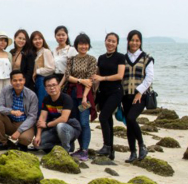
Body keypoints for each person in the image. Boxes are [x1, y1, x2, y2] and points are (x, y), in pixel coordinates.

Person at [121, 30, 155, 163]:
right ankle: (133, 153)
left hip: (141, 96)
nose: (134, 43)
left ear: (140, 42)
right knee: (129, 124)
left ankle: (142, 146)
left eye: (137, 40)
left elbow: (150, 77)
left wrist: (139, 91)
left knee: (130, 118)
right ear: (128, 41)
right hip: (126, 96)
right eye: (132, 40)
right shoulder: (123, 58)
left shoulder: (147, 58)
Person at [65, 32, 98, 162]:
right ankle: (78, 148)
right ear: (76, 45)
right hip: (72, 93)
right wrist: (79, 81)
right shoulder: (71, 59)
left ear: (89, 45)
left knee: (84, 122)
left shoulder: (91, 60)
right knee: (75, 121)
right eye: (80, 44)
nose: (83, 46)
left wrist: (84, 97)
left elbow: (90, 80)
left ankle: (84, 150)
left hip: (85, 95)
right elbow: (67, 76)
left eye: (85, 44)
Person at [94, 32, 126, 161]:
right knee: (108, 120)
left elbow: (120, 75)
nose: (110, 43)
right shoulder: (101, 58)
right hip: (103, 93)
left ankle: (106, 146)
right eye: (109, 40)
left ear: (117, 43)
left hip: (115, 92)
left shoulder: (120, 57)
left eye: (113, 41)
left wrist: (103, 78)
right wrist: (94, 91)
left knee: (103, 117)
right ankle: (111, 151)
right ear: (105, 41)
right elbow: (97, 76)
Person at [0, 70, 39, 151]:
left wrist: (19, 131)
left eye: (20, 80)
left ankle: (20, 144)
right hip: (10, 122)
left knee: (25, 139)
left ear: (24, 80)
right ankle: (4, 142)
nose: (18, 83)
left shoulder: (32, 95)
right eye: (15, 80)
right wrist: (11, 111)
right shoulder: (5, 90)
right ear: (10, 81)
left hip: (25, 124)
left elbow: (32, 117)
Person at [32, 75, 81, 153]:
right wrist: (38, 136)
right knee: (38, 145)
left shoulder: (66, 98)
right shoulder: (46, 99)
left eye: (54, 85)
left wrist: (47, 124)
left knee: (60, 125)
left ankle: (66, 149)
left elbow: (64, 119)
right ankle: (62, 145)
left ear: (59, 86)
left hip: (71, 127)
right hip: (54, 128)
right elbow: (42, 118)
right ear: (45, 89)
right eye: (49, 86)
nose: (52, 88)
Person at [31, 30, 56, 102]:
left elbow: (51, 69)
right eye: (35, 39)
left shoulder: (46, 51)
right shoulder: (36, 52)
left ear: (43, 40)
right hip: (38, 81)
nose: (38, 41)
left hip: (43, 80)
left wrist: (37, 72)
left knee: (42, 103)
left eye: (39, 39)